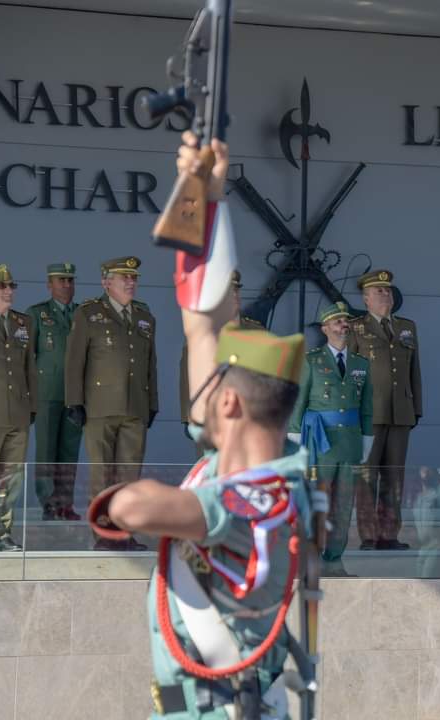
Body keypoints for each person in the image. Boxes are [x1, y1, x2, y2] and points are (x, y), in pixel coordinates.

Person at [89, 132, 318, 718]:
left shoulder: (259, 499)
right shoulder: (243, 462)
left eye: (213, 387)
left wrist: (132, 497)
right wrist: (206, 197)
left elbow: (133, 509)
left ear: (232, 407)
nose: (201, 390)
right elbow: (202, 324)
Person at [65, 255, 157, 550]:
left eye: (133, 278)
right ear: (106, 282)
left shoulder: (144, 317)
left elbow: (150, 365)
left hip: (135, 409)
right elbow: (74, 361)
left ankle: (125, 533)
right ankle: (104, 536)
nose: (131, 282)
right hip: (99, 407)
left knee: (129, 477)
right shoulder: (88, 314)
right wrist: (74, 402)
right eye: (123, 277)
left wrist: (152, 402)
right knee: (102, 476)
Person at [288, 300, 373, 563]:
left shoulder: (362, 363)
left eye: (346, 320)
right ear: (325, 328)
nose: (344, 325)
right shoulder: (311, 361)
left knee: (345, 503)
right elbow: (298, 403)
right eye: (337, 321)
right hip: (319, 442)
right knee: (317, 499)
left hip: (350, 442)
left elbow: (367, 408)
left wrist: (366, 442)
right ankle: (311, 552)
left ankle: (335, 556)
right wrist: (296, 443)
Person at [347, 269, 421, 550]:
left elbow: (415, 371)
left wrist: (416, 408)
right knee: (367, 475)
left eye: (388, 290)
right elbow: (352, 373)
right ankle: (369, 535)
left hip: (400, 412)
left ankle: (389, 534)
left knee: (394, 475)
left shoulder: (407, 327)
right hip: (368, 414)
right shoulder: (357, 329)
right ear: (366, 299)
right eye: (378, 291)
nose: (385, 294)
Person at [179, 270, 264, 449]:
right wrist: (189, 416)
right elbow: (189, 377)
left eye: (236, 290)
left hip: (249, 414)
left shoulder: (257, 331)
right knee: (213, 468)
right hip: (212, 415)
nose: (233, 296)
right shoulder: (205, 332)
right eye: (227, 292)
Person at [27, 262, 82, 521]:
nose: (67, 285)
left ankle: (65, 504)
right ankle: (49, 503)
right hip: (47, 392)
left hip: (75, 395)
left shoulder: (83, 314)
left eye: (70, 280)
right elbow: (28, 357)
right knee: (46, 450)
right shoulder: (36, 314)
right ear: (49, 284)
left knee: (70, 452)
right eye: (61, 280)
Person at [0, 264, 36, 551]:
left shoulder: (23, 323)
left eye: (11, 286)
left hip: (18, 414)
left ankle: (2, 533)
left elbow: (31, 367)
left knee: (11, 479)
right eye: (1, 286)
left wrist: (32, 408)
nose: (8, 291)